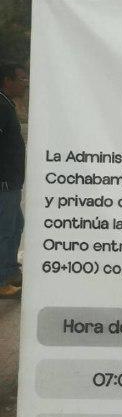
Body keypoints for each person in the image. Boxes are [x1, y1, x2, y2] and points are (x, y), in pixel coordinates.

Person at [0, 63, 27, 298]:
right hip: (5, 182)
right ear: (7, 80)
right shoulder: (1, 105)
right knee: (5, 231)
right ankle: (1, 281)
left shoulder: (6, 104)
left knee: (16, 226)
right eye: (21, 79)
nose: (25, 83)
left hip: (11, 181)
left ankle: (9, 271)